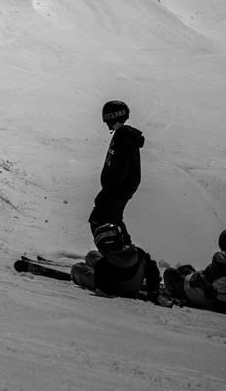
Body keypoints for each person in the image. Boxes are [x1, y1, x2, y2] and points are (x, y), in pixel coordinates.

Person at [70, 223, 169, 304]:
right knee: (91, 255)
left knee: (77, 268)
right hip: (135, 282)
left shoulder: (103, 264)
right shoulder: (138, 252)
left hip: (117, 287)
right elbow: (153, 271)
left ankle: (77, 274)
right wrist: (153, 291)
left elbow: (103, 291)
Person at [87, 100, 143, 239]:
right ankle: (124, 253)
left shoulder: (124, 137)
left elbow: (120, 167)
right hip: (119, 188)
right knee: (113, 220)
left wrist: (109, 191)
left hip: (117, 189)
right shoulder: (123, 135)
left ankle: (120, 256)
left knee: (99, 220)